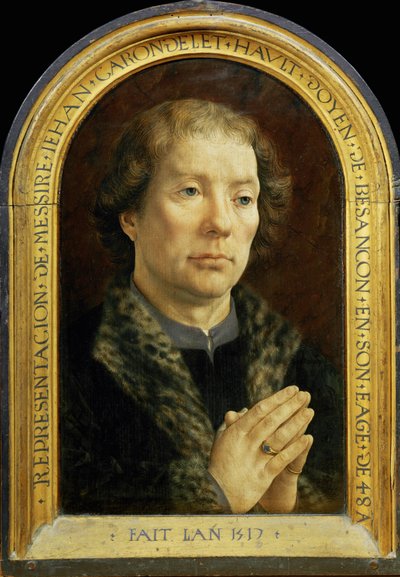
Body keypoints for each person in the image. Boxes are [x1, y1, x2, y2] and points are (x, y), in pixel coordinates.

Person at [60, 98, 344, 515]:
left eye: (242, 199)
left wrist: (288, 503)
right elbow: (59, 513)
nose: (221, 223)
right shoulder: (67, 366)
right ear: (131, 216)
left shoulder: (305, 367)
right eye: (190, 191)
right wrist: (211, 492)